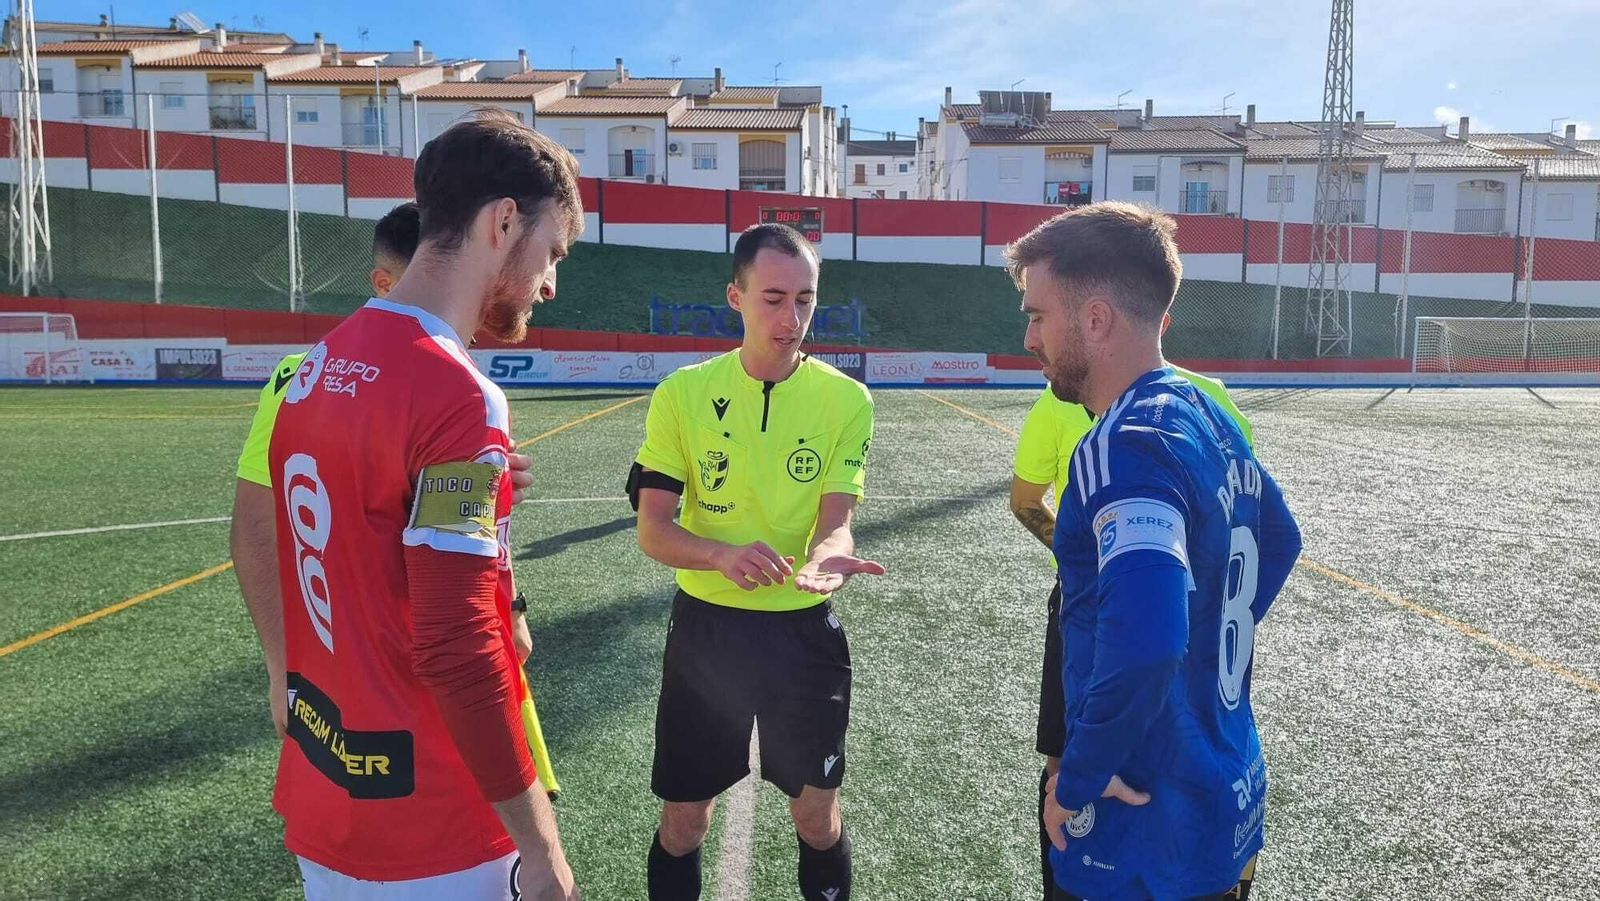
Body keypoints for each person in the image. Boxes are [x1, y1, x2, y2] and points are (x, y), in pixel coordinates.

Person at [252, 109, 583, 900]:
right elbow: (458, 646)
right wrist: (539, 845)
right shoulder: (458, 397)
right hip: (436, 828)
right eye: (552, 251)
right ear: (503, 221)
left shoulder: (315, 367)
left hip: (328, 795)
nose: (550, 282)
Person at [1008, 202, 1302, 900]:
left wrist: (1077, 774)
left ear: (1097, 318)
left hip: (1142, 819)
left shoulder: (1124, 441)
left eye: (1038, 314)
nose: (1028, 336)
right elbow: (1280, 539)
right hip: (1221, 791)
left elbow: (1147, 643)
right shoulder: (1207, 415)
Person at [628, 224, 883, 901]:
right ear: (735, 296)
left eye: (805, 299)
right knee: (685, 821)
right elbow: (652, 529)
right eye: (773, 297)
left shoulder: (847, 400)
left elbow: (837, 522)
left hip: (804, 634)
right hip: (707, 632)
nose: (791, 318)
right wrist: (720, 553)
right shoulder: (682, 394)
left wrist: (830, 559)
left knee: (816, 818)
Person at [231, 202, 545, 741]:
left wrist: (509, 603)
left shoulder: (455, 382)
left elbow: (456, 534)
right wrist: (282, 667)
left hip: (445, 668)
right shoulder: (303, 376)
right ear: (385, 282)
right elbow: (256, 531)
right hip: (365, 680)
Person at [1011, 335, 1254, 901]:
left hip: (1105, 611)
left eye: (1039, 315)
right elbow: (1267, 528)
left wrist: (1093, 562)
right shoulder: (1211, 402)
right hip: (1203, 609)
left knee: (1073, 762)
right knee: (1193, 740)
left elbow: (1024, 501)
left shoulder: (1107, 431)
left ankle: (1078, 871)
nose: (1032, 339)